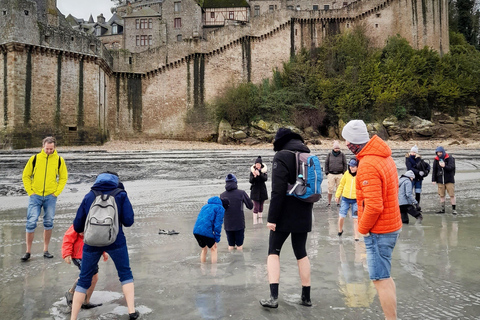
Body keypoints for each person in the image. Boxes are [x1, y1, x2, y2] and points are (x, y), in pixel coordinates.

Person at [341, 120, 402, 320]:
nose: (345, 144)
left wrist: (363, 228)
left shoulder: (367, 164)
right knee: (386, 276)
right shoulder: (384, 156)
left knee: (380, 279)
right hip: (391, 225)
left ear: (354, 142)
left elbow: (375, 205)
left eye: (347, 140)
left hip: (380, 230)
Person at [70, 171, 139, 320]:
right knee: (125, 274)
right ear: (116, 181)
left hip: (91, 243)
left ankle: (73, 317)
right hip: (116, 240)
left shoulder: (89, 196)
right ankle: (132, 311)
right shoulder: (120, 195)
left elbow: (77, 225)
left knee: (84, 279)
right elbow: (129, 221)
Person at [260, 128, 314, 309]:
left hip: (284, 213)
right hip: (305, 210)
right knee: (301, 252)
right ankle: (306, 297)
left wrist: (272, 218)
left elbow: (278, 190)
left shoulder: (282, 156)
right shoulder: (306, 154)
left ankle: (273, 298)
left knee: (273, 252)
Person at [21, 136, 68, 261]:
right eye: (47, 149)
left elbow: (63, 178)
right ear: (43, 147)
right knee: (31, 222)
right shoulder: (34, 159)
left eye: (51, 149)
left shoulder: (59, 160)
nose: (49, 151)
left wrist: (56, 192)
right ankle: (28, 251)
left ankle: (46, 250)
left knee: (48, 222)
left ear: (54, 147)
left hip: (50, 196)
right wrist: (30, 192)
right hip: (35, 196)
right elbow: (26, 176)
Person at [62, 224, 108, 309]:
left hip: (91, 254)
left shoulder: (96, 223)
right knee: (87, 276)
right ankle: (71, 292)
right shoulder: (80, 221)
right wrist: (66, 253)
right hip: (78, 255)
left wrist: (103, 252)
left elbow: (98, 240)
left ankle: (85, 302)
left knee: (94, 278)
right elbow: (68, 238)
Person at [220, 174, 253, 251]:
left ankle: (231, 260)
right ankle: (239, 261)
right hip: (239, 223)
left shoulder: (222, 195)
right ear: (235, 182)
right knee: (239, 246)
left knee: (230, 245)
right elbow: (250, 206)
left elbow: (221, 210)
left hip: (228, 224)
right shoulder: (241, 193)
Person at [193, 196, 228, 263]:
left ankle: (203, 268)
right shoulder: (220, 208)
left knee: (204, 249)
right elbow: (217, 224)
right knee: (214, 248)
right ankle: (214, 270)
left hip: (196, 230)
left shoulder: (205, 206)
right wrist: (217, 238)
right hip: (205, 231)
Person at [335, 158, 359, 240]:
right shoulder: (346, 174)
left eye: (353, 166)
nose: (351, 168)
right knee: (341, 216)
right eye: (350, 166)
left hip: (356, 200)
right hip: (345, 199)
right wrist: (337, 195)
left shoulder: (360, 175)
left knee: (356, 219)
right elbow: (341, 185)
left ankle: (356, 236)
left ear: (357, 167)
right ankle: (340, 230)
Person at [432, 146, 456, 214]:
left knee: (452, 195)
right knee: (441, 195)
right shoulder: (436, 160)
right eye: (437, 152)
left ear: (443, 152)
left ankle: (454, 209)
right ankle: (442, 210)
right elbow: (434, 170)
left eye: (440, 152)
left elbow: (451, 168)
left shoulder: (450, 158)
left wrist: (444, 166)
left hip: (449, 180)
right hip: (440, 180)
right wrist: (433, 180)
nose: (439, 153)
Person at [325, 140, 347, 206]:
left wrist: (344, 173)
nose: (337, 149)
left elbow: (345, 164)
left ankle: (338, 202)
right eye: (335, 148)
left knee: (339, 188)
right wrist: (327, 172)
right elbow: (326, 163)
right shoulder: (329, 154)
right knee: (330, 188)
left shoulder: (342, 155)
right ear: (333, 148)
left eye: (338, 148)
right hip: (331, 174)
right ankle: (329, 202)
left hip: (340, 174)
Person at [249, 156, 268, 221]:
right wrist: (254, 176)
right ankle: (254, 219)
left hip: (262, 190)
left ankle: (260, 219)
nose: (258, 166)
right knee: (256, 206)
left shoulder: (264, 171)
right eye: (257, 164)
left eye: (259, 164)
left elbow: (265, 179)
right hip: (255, 191)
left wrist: (260, 174)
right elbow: (251, 181)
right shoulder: (252, 171)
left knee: (261, 206)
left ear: (261, 164)